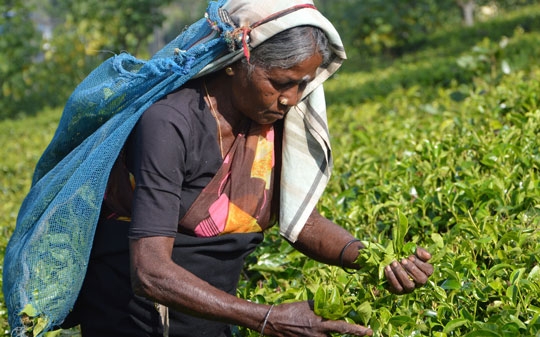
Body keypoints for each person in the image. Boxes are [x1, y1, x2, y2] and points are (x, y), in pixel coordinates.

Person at [52, 1, 435, 336]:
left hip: (215, 310)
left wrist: (377, 260)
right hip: (133, 317)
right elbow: (150, 272)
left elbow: (302, 221)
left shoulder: (272, 117)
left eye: (301, 85)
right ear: (235, 63)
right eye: (279, 82)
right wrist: (267, 318)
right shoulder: (170, 122)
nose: (290, 99)